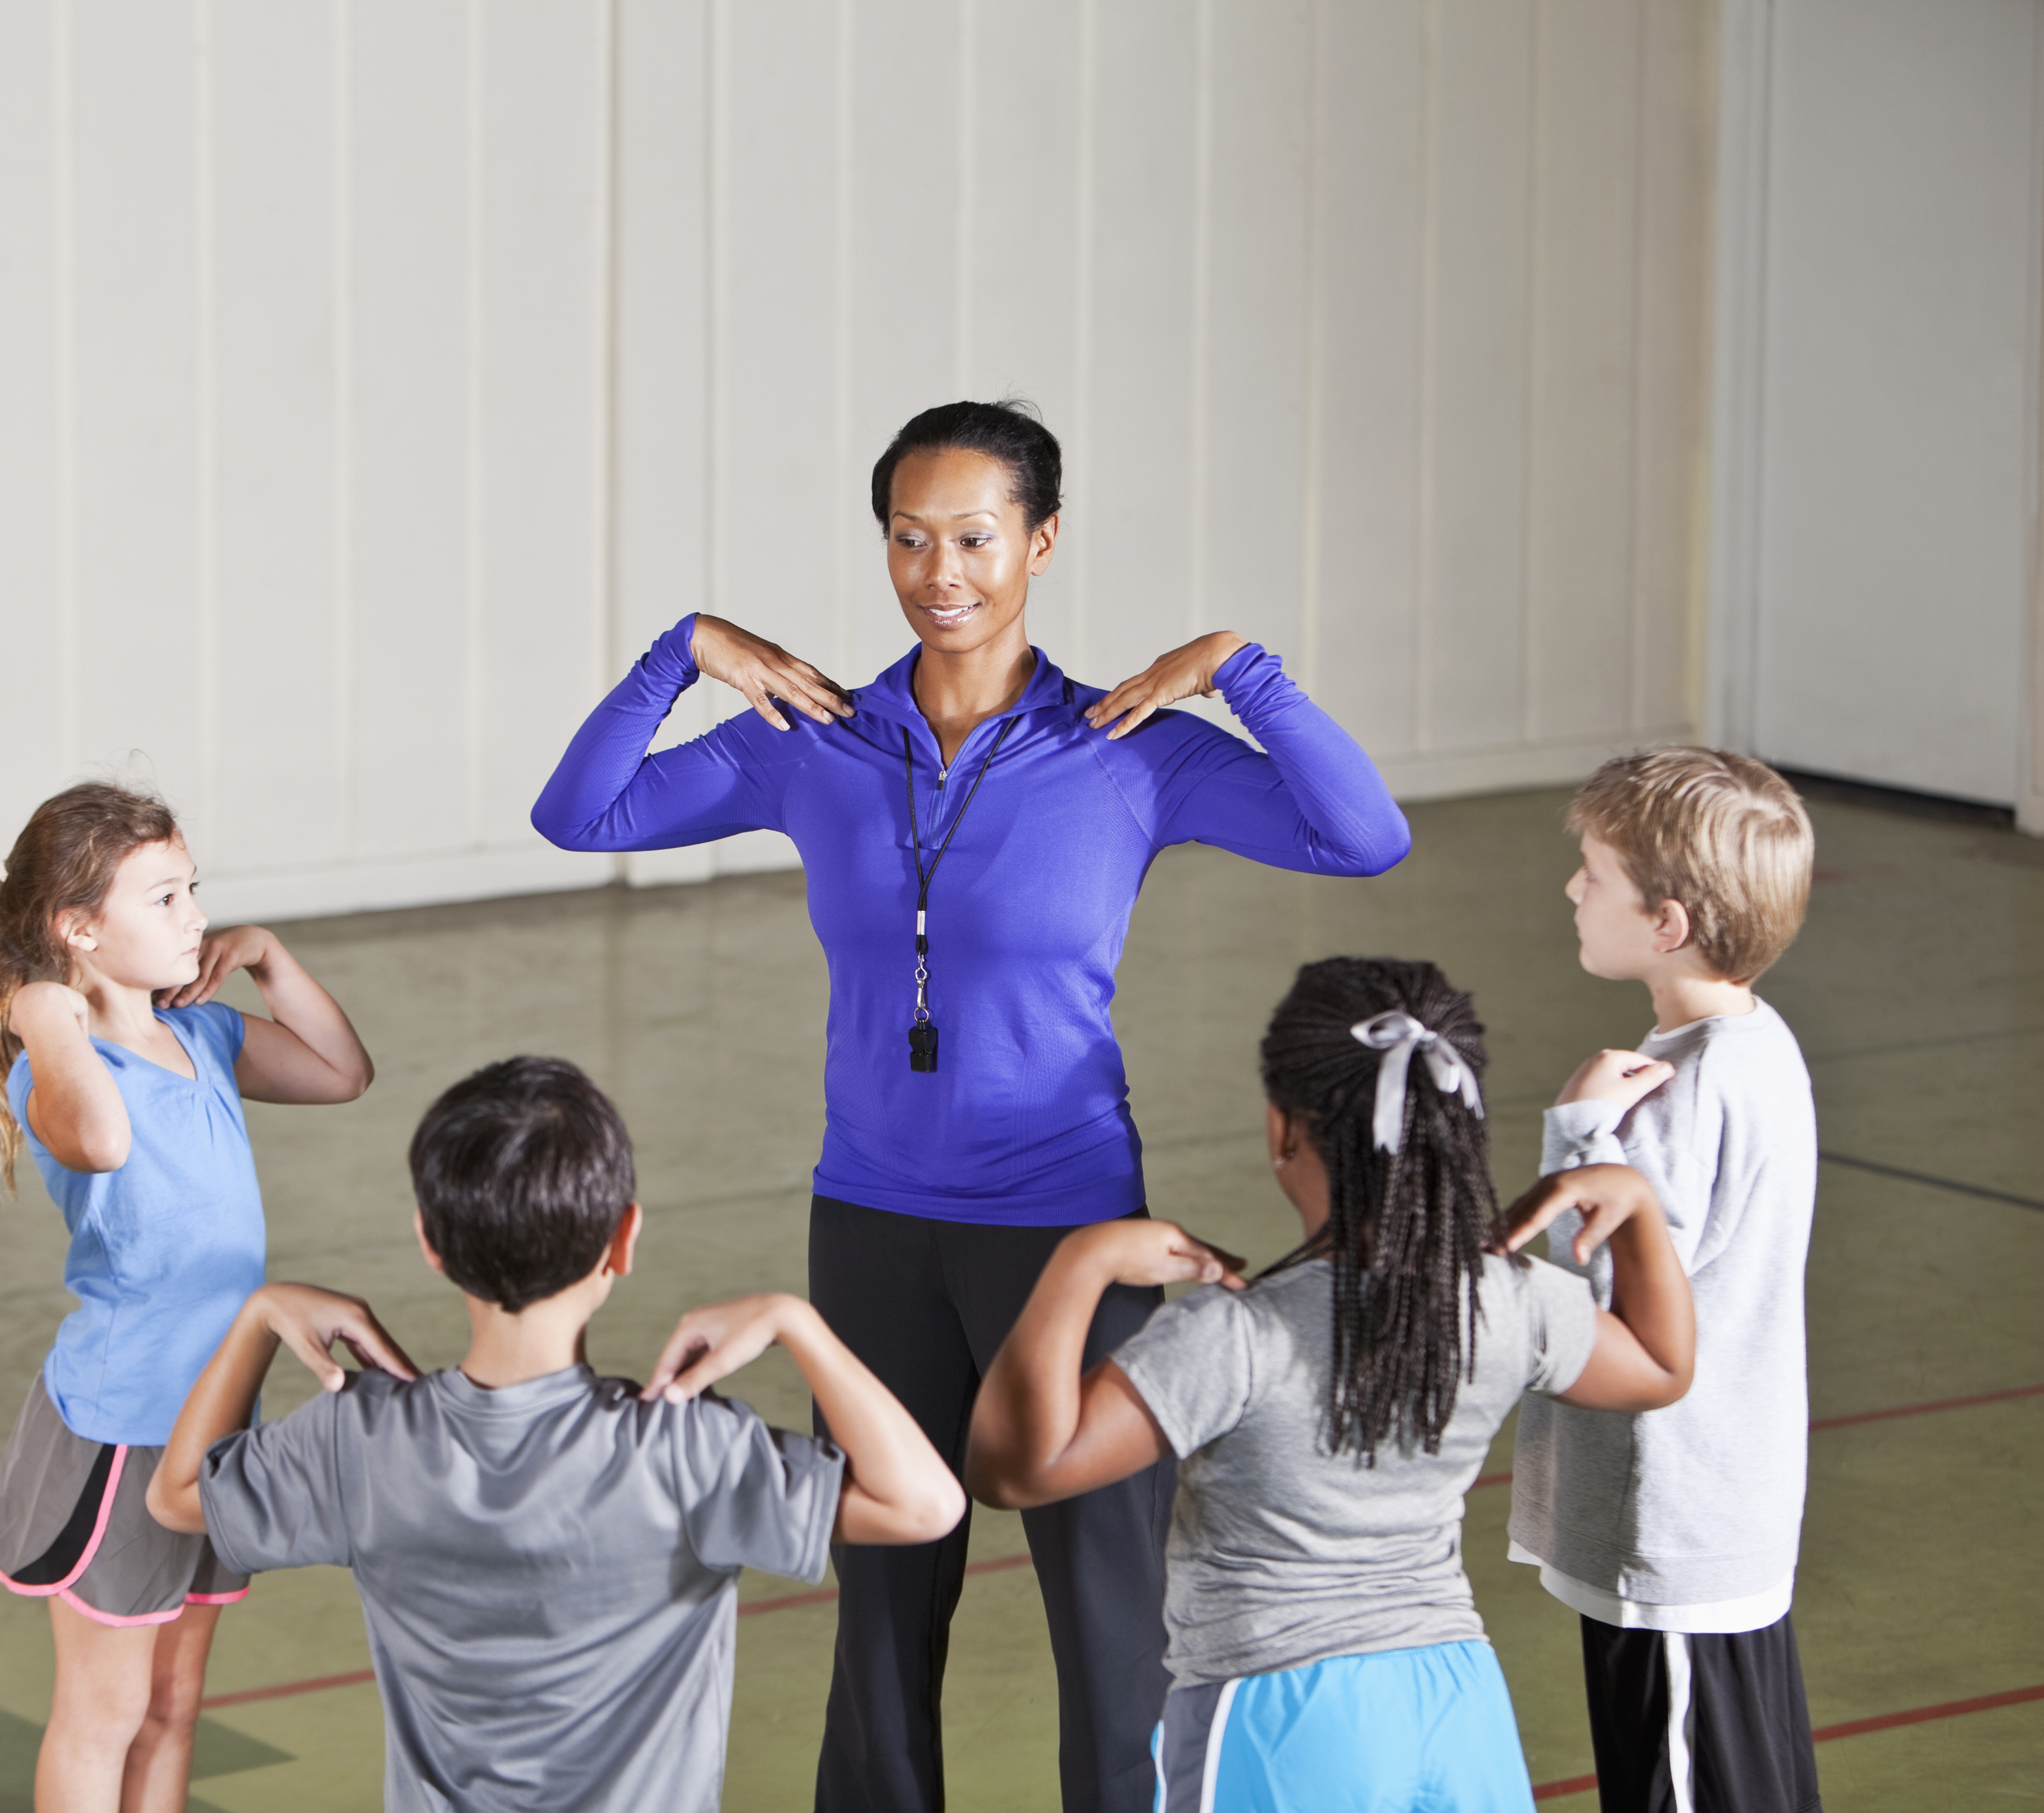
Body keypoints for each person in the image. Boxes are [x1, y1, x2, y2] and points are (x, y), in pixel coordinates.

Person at [531, 397, 1413, 1811]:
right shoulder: (812, 737)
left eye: (976, 537)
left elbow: (1363, 834)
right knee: (882, 1609)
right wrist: (684, 654)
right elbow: (584, 814)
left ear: (1042, 542)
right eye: (908, 536)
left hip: (1065, 1230)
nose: (941, 570)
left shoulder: (1125, 748)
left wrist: (1238, 670)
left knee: (1113, 1618)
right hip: (870, 1221)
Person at [966, 956, 1698, 1813]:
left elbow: (1014, 1469)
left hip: (1280, 1711)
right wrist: (1639, 1208)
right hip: (1455, 1699)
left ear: (1285, 1130)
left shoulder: (1236, 1335)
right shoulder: (1508, 1299)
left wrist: (1079, 1263)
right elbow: (1660, 1364)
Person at [144, 1055, 969, 1813]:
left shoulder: (356, 1437)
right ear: (623, 1238)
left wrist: (256, 1318)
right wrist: (799, 1322)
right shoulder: (683, 1453)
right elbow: (925, 1505)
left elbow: (177, 1496)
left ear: (430, 1242)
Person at [0, 781, 375, 1813]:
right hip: (124, 1426)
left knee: (177, 1706)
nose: (195, 920)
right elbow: (98, 1139)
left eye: (195, 891)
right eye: (165, 900)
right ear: (80, 929)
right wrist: (46, 1012)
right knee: (107, 1711)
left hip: (221, 1415)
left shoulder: (213, 1039)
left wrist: (270, 956)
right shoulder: (54, 1072)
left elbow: (341, 1071)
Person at [1513, 750, 1824, 1813]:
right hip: (1721, 1514)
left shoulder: (1678, 1094)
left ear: (1669, 923)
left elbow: (1603, 1309)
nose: (1571, 890)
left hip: (1673, 1531)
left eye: (1593, 873)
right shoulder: (1757, 1046)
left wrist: (1580, 1130)